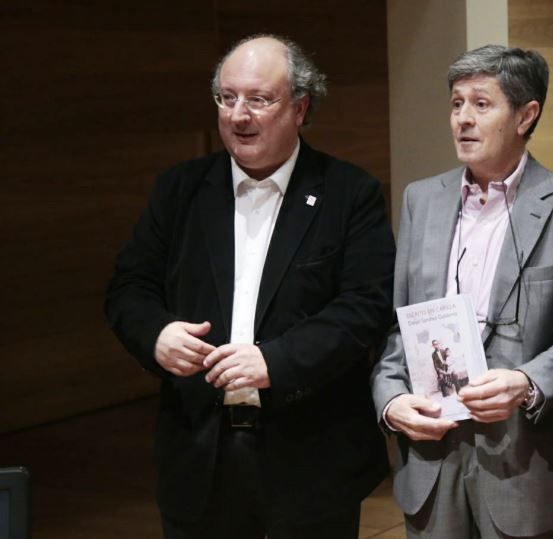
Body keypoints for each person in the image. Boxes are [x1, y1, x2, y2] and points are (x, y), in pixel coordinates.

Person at [105, 34, 395, 538]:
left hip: (309, 456)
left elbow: (366, 306)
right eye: (227, 97)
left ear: (300, 108)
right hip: (199, 457)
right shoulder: (179, 189)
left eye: (259, 100)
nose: (239, 115)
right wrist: (157, 334)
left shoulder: (350, 192)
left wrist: (276, 360)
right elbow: (129, 287)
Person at [371, 44, 553, 538]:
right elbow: (398, 329)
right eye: (456, 104)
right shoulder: (420, 200)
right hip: (431, 452)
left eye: (481, 103)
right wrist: (390, 401)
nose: (463, 120)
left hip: (521, 460)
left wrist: (527, 382)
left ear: (526, 114)